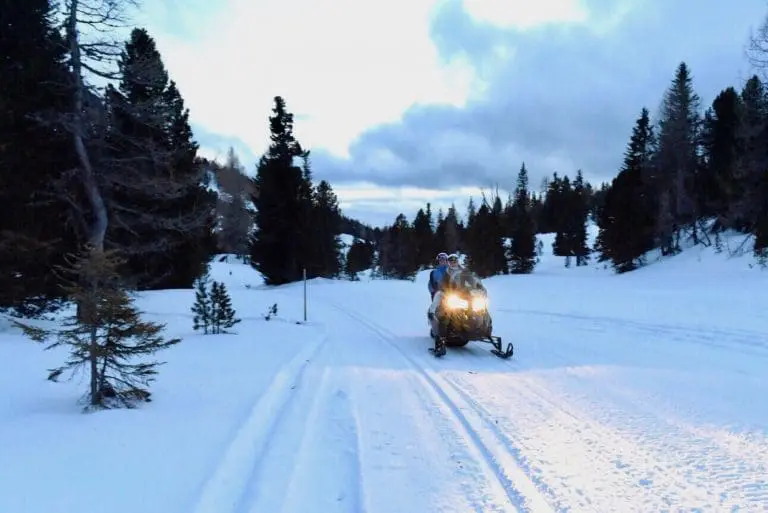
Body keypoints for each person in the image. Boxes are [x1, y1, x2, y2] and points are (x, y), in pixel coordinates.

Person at [428, 253, 461, 319]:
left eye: (444, 260)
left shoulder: (452, 270)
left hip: (456, 293)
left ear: (447, 261)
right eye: (441, 260)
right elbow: (430, 284)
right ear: (438, 261)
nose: (443, 262)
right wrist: (434, 291)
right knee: (442, 311)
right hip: (443, 293)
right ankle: (435, 317)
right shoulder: (434, 272)